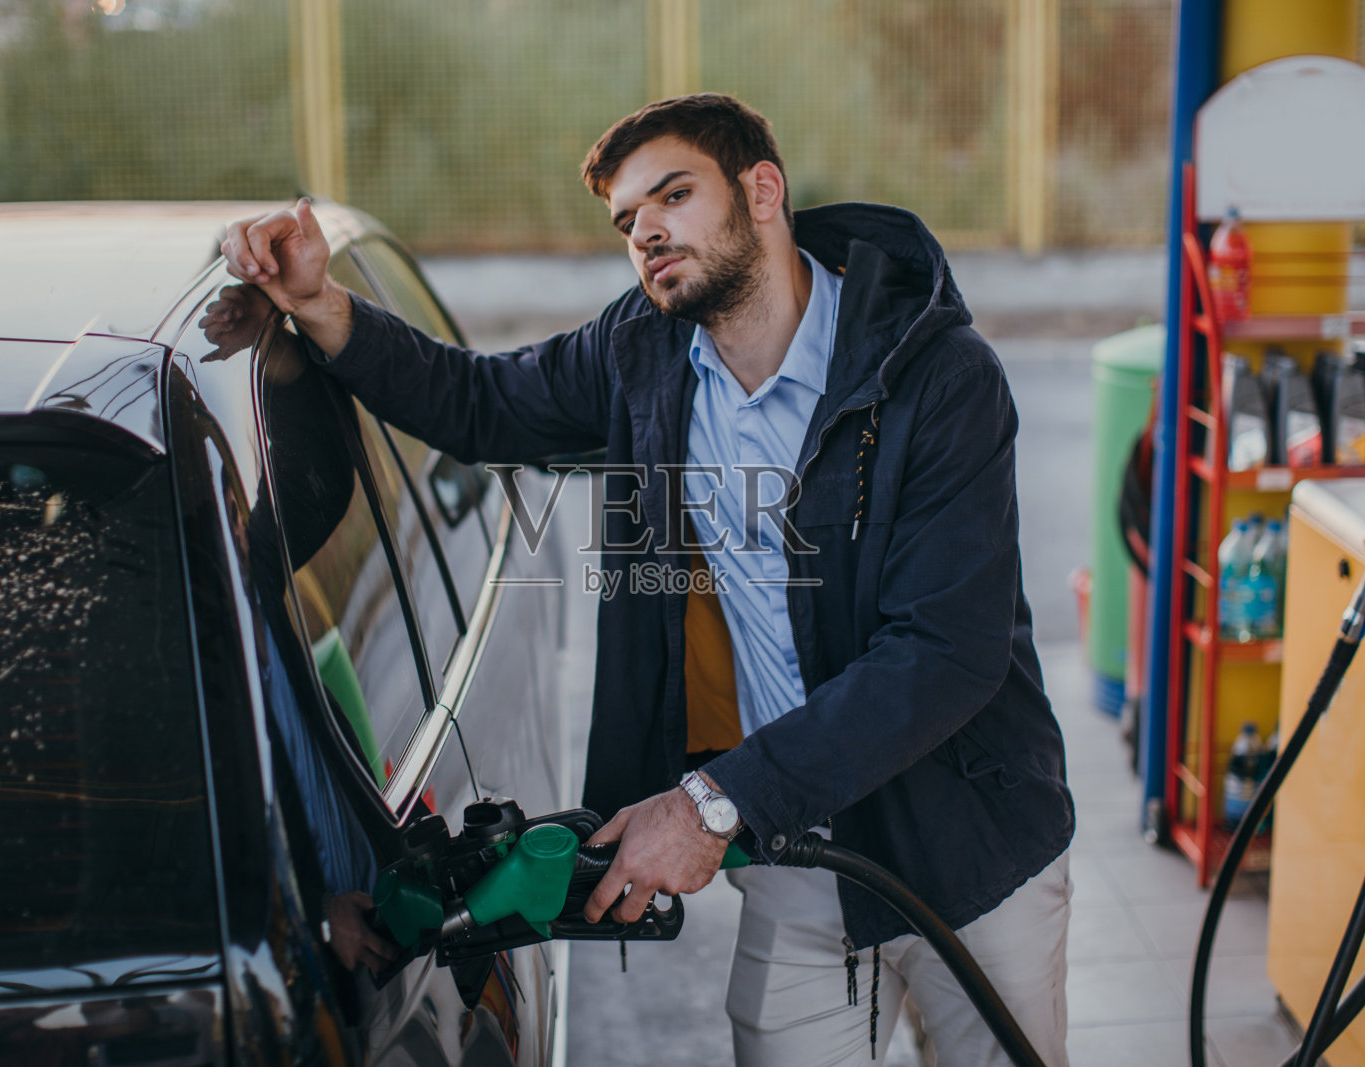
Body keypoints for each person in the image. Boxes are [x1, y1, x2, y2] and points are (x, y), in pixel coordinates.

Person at [223, 93, 1074, 1067]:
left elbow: (943, 654)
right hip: (793, 840)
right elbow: (482, 402)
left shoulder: (935, 377)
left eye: (673, 195)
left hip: (965, 843)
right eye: (628, 220)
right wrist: (323, 305)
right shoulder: (645, 351)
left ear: (761, 191)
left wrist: (713, 800)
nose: (649, 232)